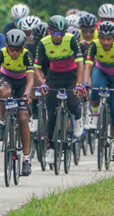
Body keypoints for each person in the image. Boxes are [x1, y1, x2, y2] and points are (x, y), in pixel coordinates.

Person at [35, 15, 86, 167]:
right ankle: (51, 148)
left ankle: (78, 119)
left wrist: (79, 84)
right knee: (51, 112)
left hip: (71, 76)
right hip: (54, 76)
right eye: (56, 33)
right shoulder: (43, 43)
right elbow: (37, 68)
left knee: (72, 102)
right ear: (49, 31)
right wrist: (42, 83)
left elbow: (80, 64)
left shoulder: (71, 40)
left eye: (62, 33)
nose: (59, 37)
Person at [0, 29, 37, 176]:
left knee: (23, 117)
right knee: (3, 92)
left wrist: (27, 94)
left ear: (22, 48)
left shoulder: (27, 55)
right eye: (12, 48)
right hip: (6, 79)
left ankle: (26, 158)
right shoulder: (1, 53)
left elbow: (30, 80)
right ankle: (2, 121)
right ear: (6, 46)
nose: (14, 52)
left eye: (18, 49)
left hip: (22, 82)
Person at [85, 20, 114, 162]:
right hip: (101, 70)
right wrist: (85, 83)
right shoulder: (94, 44)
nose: (105, 42)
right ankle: (95, 114)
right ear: (98, 37)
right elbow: (88, 66)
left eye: (109, 39)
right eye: (102, 38)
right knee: (95, 89)